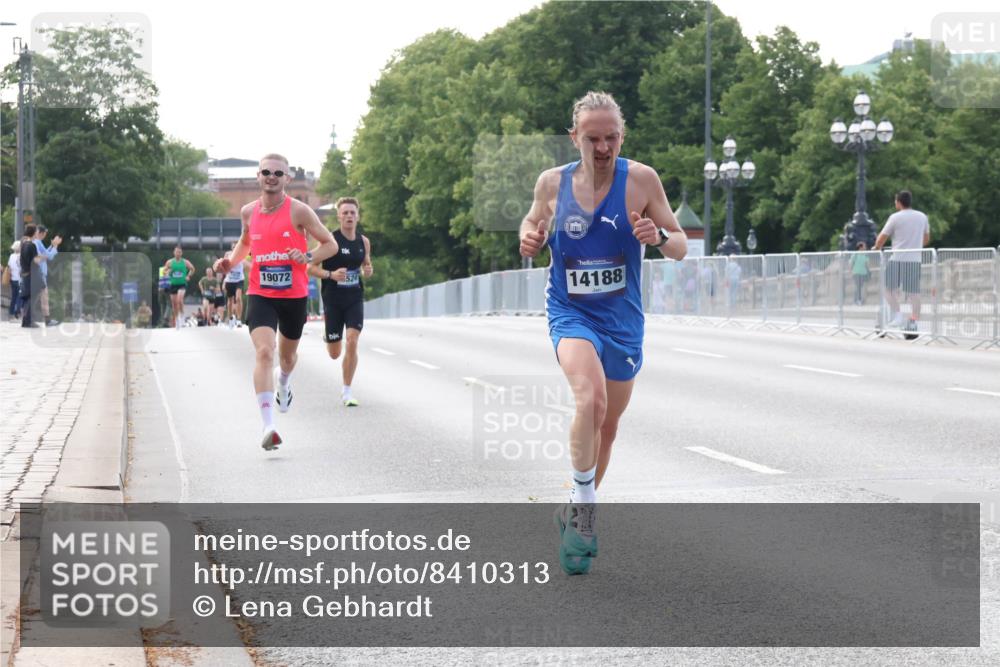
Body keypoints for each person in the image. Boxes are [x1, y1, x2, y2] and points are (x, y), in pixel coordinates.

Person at [519, 91, 686, 574]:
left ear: (622, 135)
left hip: (623, 320)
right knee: (589, 401)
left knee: (608, 425)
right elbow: (532, 225)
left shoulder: (641, 181)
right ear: (574, 137)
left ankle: (574, 506)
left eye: (611, 136)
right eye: (592, 138)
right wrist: (528, 237)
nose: (603, 147)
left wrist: (657, 238)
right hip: (571, 313)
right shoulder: (553, 184)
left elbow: (679, 247)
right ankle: (587, 513)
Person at [213, 153, 338, 450]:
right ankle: (268, 426)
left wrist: (306, 256)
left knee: (286, 358)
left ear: (287, 179)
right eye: (266, 172)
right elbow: (246, 242)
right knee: (265, 353)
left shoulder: (300, 211)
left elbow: (330, 244)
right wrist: (231, 262)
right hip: (260, 293)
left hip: (293, 295)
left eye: (278, 173)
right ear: (258, 176)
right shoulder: (248, 211)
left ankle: (284, 384)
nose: (271, 177)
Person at [307, 197, 373, 407]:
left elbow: (366, 265)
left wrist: (368, 270)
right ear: (339, 216)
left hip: (354, 297)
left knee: (352, 340)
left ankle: (347, 391)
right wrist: (330, 274)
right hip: (333, 299)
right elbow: (310, 267)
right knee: (334, 353)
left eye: (352, 213)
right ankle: (328, 335)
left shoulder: (364, 242)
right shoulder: (331, 241)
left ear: (358, 216)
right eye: (345, 213)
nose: (349, 216)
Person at [873, 190, 929, 332]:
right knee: (913, 293)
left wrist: (876, 248)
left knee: (888, 289)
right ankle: (913, 322)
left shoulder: (895, 217)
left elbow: (882, 237)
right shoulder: (922, 217)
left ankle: (897, 314)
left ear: (898, 202)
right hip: (915, 259)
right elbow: (926, 239)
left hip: (897, 258)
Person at [33, 225, 62, 326]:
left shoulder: (35, 242)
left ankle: (42, 319)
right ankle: (47, 320)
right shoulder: (37, 242)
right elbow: (49, 256)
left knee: (37, 297)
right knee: (44, 298)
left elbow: (44, 254)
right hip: (40, 274)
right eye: (45, 233)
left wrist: (52, 246)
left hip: (37, 274)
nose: (45, 235)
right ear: (42, 233)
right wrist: (55, 246)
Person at [163, 246, 195, 329]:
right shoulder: (170, 262)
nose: (178, 253)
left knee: (180, 300)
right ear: (174, 252)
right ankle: (177, 320)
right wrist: (167, 272)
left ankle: (182, 317)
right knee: (174, 304)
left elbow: (192, 269)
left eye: (179, 252)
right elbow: (164, 271)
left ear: (181, 253)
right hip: (173, 284)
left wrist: (188, 276)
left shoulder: (185, 262)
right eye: (177, 252)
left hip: (182, 284)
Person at [222, 248, 249, 328]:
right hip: (229, 280)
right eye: (233, 247)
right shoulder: (227, 254)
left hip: (239, 280)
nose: (235, 248)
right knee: (230, 301)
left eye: (236, 246)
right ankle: (230, 319)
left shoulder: (243, 254)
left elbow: (248, 262)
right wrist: (224, 282)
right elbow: (223, 268)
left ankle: (238, 319)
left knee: (238, 298)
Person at [19, 225, 39, 328]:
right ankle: (29, 321)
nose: (37, 233)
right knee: (31, 298)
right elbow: (35, 261)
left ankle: (25, 321)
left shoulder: (23, 244)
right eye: (36, 231)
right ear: (33, 232)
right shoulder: (32, 245)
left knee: (27, 298)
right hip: (31, 275)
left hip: (24, 274)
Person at [851, 241, 870, 306]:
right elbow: (851, 264)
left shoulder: (865, 255)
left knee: (860, 287)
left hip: (863, 273)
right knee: (858, 287)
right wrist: (851, 272)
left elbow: (867, 264)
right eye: (864, 246)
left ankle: (859, 300)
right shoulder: (855, 255)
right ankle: (857, 300)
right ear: (860, 247)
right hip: (856, 273)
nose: (865, 247)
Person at [7, 240, 22, 321]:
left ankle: (11, 315)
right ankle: (17, 314)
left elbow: (9, 268)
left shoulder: (11, 256)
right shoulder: (21, 256)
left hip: (13, 279)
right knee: (19, 298)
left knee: (13, 297)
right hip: (19, 279)